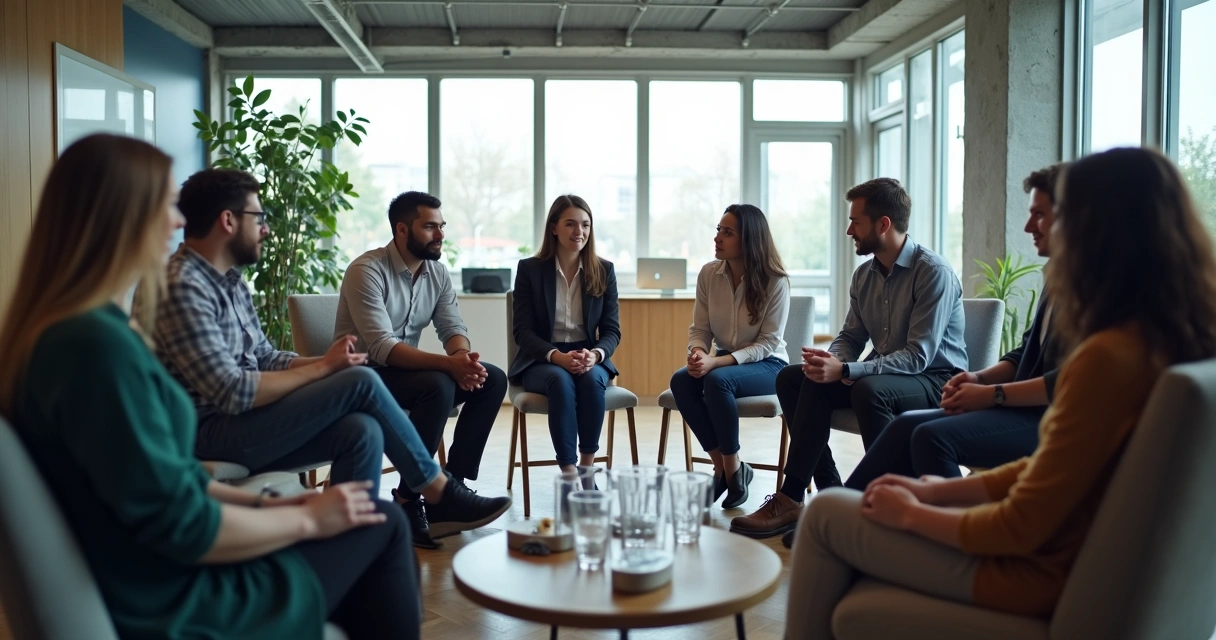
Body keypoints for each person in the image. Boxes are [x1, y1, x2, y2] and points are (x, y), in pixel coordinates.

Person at [0, 134, 425, 639]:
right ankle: (433, 487)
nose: (179, 220)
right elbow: (182, 523)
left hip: (156, 573)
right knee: (383, 521)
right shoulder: (93, 348)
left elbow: (166, 480)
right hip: (176, 601)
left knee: (365, 473)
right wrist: (309, 521)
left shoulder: (66, 334)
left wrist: (283, 506)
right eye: (165, 205)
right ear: (120, 215)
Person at [784, 147, 1216, 637]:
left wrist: (914, 515)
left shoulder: (1108, 358)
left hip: (1030, 573)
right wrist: (939, 490)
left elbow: (1019, 525)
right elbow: (1052, 472)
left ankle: (811, 506)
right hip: (1057, 555)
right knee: (850, 559)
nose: (1032, 227)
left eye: (1047, 215)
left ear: (1096, 228)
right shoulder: (1168, 345)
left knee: (826, 517)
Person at [142, 169, 509, 550]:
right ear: (228, 220)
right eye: (259, 218)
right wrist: (323, 369)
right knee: (367, 380)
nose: (266, 230)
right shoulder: (182, 285)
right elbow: (232, 391)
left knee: (361, 431)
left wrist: (331, 362)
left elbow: (265, 357)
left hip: (246, 421)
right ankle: (435, 489)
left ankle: (350, 552)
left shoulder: (231, 282)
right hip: (212, 433)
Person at [827, 165, 1067, 549]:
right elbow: (1026, 353)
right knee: (908, 428)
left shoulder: (932, 270)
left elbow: (1067, 382)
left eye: (1039, 214)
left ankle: (953, 544)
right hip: (1018, 403)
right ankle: (841, 515)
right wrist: (981, 379)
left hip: (1045, 416)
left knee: (927, 435)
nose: (1027, 227)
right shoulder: (1059, 275)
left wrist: (993, 395)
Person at [731, 178, 967, 540]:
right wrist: (829, 361)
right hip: (887, 376)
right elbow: (851, 337)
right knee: (795, 378)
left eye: (856, 221)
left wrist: (848, 370)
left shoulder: (932, 272)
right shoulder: (864, 275)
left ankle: (884, 501)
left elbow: (919, 356)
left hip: (935, 380)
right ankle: (812, 496)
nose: (848, 230)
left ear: (883, 224)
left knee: (869, 390)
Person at [334, 191, 508, 504]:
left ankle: (452, 487)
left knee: (491, 379)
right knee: (437, 384)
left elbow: (453, 328)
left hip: (402, 376)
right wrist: (449, 366)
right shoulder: (366, 271)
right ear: (401, 230)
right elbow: (383, 348)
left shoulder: (437, 273)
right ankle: (409, 497)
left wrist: (462, 359)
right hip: (362, 377)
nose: (441, 234)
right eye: (430, 227)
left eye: (442, 226)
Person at [669, 204, 790, 510]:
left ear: (749, 239)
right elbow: (700, 329)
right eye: (718, 230)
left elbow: (768, 343)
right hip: (724, 363)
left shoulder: (775, 280)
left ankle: (731, 469)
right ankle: (726, 468)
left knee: (718, 381)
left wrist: (715, 363)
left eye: (727, 232)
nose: (718, 238)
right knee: (681, 381)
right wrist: (698, 354)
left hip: (770, 365)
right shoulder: (709, 274)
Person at [509, 195, 621, 472]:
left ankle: (586, 468)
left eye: (585, 225)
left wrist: (595, 355)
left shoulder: (604, 270)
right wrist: (555, 356)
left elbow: (611, 330)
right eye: (570, 224)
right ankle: (569, 472)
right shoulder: (530, 270)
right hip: (542, 358)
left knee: (593, 379)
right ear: (554, 228)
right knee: (560, 382)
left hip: (587, 355)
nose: (579, 232)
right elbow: (522, 331)